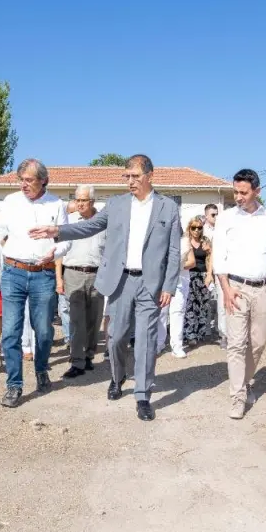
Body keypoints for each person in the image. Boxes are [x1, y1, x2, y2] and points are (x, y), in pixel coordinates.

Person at [31, 154, 181, 422]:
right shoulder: (116, 204)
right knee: (116, 337)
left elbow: (173, 250)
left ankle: (143, 395)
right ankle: (117, 376)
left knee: (146, 340)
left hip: (150, 284)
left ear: (150, 176)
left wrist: (169, 285)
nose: (130, 181)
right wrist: (58, 231)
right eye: (127, 176)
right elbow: (90, 226)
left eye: (135, 176)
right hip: (120, 281)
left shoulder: (168, 208)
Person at [0, 158, 70, 408]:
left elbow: (66, 239)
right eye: (21, 180)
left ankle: (41, 369)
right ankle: (14, 385)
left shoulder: (56, 204)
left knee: (43, 331)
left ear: (43, 180)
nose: (24, 185)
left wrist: (55, 253)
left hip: (43, 274)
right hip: (13, 273)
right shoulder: (11, 202)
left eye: (29, 180)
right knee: (11, 331)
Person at [212, 169, 266, 420]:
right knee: (236, 344)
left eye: (243, 192)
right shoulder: (226, 218)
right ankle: (237, 397)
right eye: (235, 192)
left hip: (264, 288)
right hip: (236, 288)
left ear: (257, 191)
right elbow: (219, 257)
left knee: (258, 342)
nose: (238, 197)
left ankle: (244, 382)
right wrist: (226, 289)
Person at [59, 185, 106, 378]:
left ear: (92, 201)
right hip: (73, 274)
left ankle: (88, 356)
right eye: (77, 200)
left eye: (83, 200)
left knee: (94, 319)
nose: (79, 203)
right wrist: (59, 278)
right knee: (76, 320)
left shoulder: (103, 221)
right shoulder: (69, 221)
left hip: (97, 275)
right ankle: (77, 361)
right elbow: (59, 252)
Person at [156, 230, 192, 358]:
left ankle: (177, 346)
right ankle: (159, 343)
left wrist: (175, 267)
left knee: (177, 313)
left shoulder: (185, 241)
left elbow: (191, 261)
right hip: (163, 281)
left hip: (180, 281)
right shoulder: (160, 238)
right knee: (161, 312)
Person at [181, 217, 216, 344]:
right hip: (189, 275)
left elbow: (211, 258)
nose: (196, 230)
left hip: (203, 275)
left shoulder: (205, 241)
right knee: (189, 305)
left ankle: (200, 333)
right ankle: (190, 335)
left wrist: (209, 274)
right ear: (189, 228)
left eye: (199, 227)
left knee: (203, 305)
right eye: (194, 227)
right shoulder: (185, 242)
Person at [202, 203, 225, 346]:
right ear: (206, 216)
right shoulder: (200, 230)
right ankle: (205, 331)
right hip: (203, 269)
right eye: (213, 214)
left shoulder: (221, 229)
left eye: (217, 214)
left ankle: (221, 333)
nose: (216, 217)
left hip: (218, 270)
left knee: (220, 303)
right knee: (206, 302)